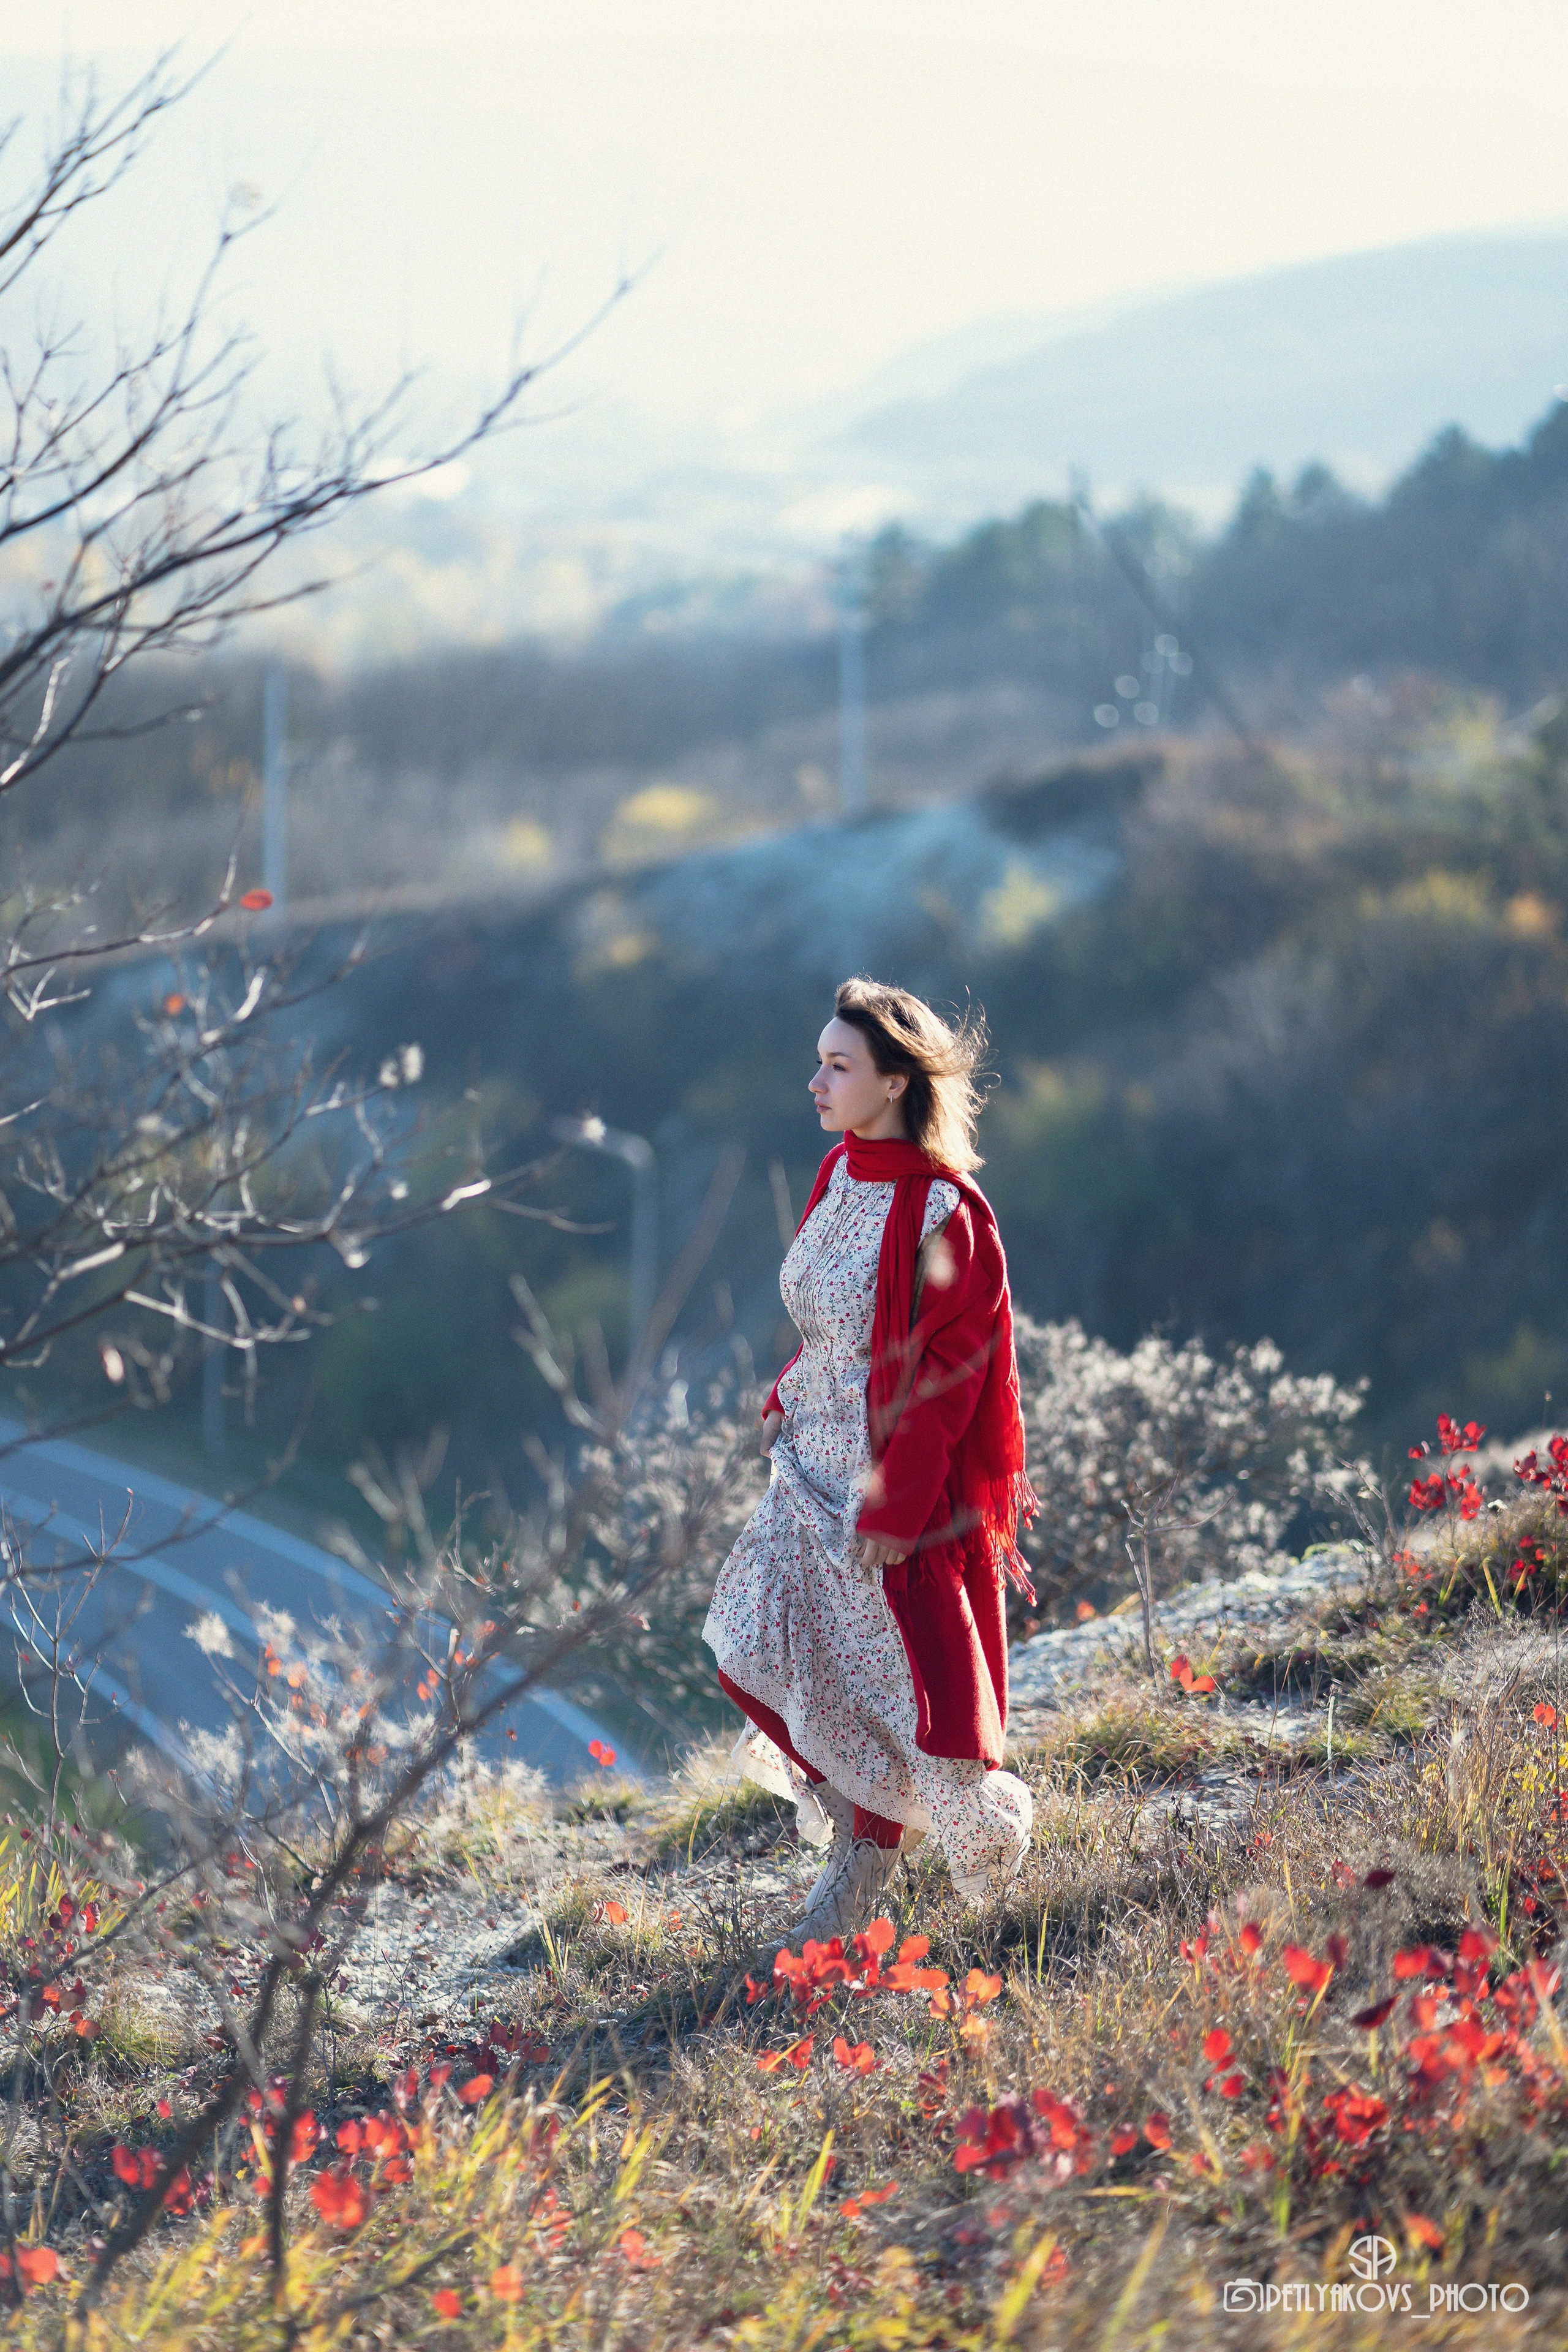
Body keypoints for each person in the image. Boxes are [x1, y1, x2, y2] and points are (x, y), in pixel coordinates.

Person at [703, 975, 1038, 1942]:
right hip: (805, 1472)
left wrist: (896, 1513)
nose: (815, 1082)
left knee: (920, 1712)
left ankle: (988, 1848)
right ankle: (862, 1849)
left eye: (838, 1066)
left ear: (895, 1082)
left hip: (885, 1506)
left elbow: (949, 1380)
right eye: (820, 1062)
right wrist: (782, 1394)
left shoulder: (947, 1216)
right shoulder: (841, 1172)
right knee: (755, 1643)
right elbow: (826, 1323)